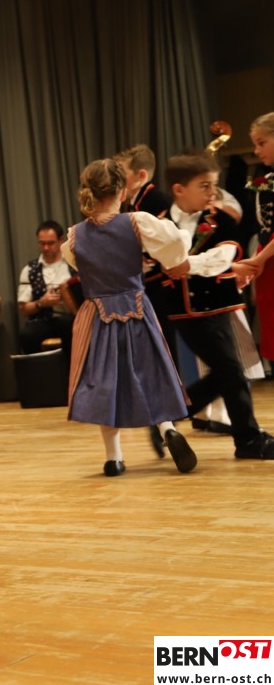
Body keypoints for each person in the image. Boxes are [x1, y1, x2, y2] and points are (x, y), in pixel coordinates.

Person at [61, 161, 196, 476]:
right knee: (150, 370)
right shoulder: (137, 222)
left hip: (98, 316)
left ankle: (114, 457)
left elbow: (83, 266)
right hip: (136, 308)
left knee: (106, 383)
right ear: (122, 191)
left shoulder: (74, 237)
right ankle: (167, 429)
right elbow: (175, 246)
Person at [149, 153, 274, 461]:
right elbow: (152, 264)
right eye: (204, 186)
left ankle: (173, 416)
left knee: (228, 371)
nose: (212, 192)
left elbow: (224, 255)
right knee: (230, 370)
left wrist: (187, 264)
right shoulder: (159, 225)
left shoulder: (222, 220)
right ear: (179, 189)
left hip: (220, 304)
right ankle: (246, 438)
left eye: (214, 185)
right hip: (183, 311)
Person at [232, 113, 274, 361]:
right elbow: (265, 230)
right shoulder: (267, 180)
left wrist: (259, 260)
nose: (257, 151)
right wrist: (254, 266)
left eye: (262, 143)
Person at [17, 220, 76, 355]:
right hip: (43, 320)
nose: (46, 248)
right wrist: (41, 303)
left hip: (71, 319)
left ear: (61, 240)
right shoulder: (29, 270)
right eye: (42, 243)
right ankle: (40, 369)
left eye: (50, 243)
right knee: (27, 336)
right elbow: (24, 310)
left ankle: (72, 367)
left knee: (69, 325)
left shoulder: (73, 264)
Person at [115, 143, 171, 216]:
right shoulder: (134, 202)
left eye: (122, 173)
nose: (118, 178)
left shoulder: (160, 203)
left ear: (141, 175)